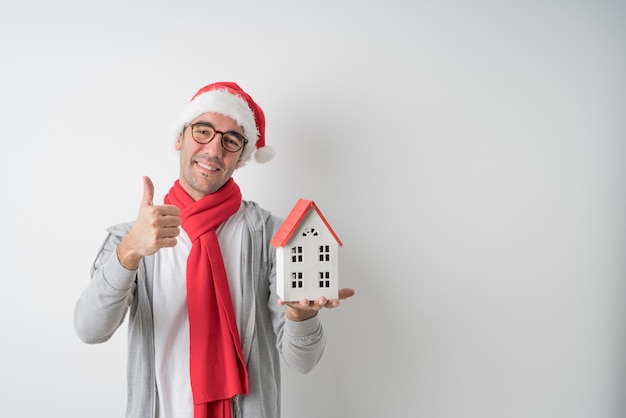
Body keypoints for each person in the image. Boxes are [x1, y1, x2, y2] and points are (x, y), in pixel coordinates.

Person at [74, 81, 355, 418]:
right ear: (180, 137)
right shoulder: (130, 236)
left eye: (230, 141)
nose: (213, 150)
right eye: (203, 131)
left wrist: (301, 315)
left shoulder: (274, 236)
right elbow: (89, 330)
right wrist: (128, 253)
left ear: (241, 158)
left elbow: (302, 360)